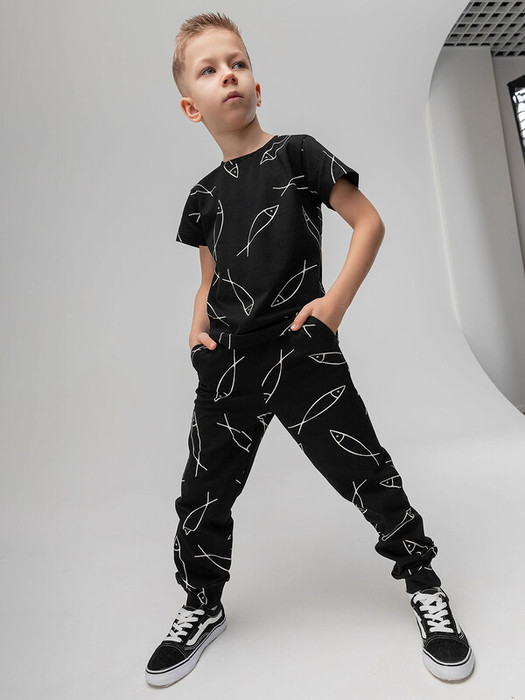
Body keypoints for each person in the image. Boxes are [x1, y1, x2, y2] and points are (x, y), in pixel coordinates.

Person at [145, 11, 475, 688]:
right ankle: (202, 603)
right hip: (228, 362)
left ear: (256, 85)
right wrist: (195, 330)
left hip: (302, 351)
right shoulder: (203, 197)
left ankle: (423, 583)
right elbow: (209, 277)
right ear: (190, 106)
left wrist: (334, 306)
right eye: (209, 70)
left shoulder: (297, 154)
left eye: (237, 63)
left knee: (367, 472)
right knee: (202, 493)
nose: (227, 75)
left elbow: (368, 221)